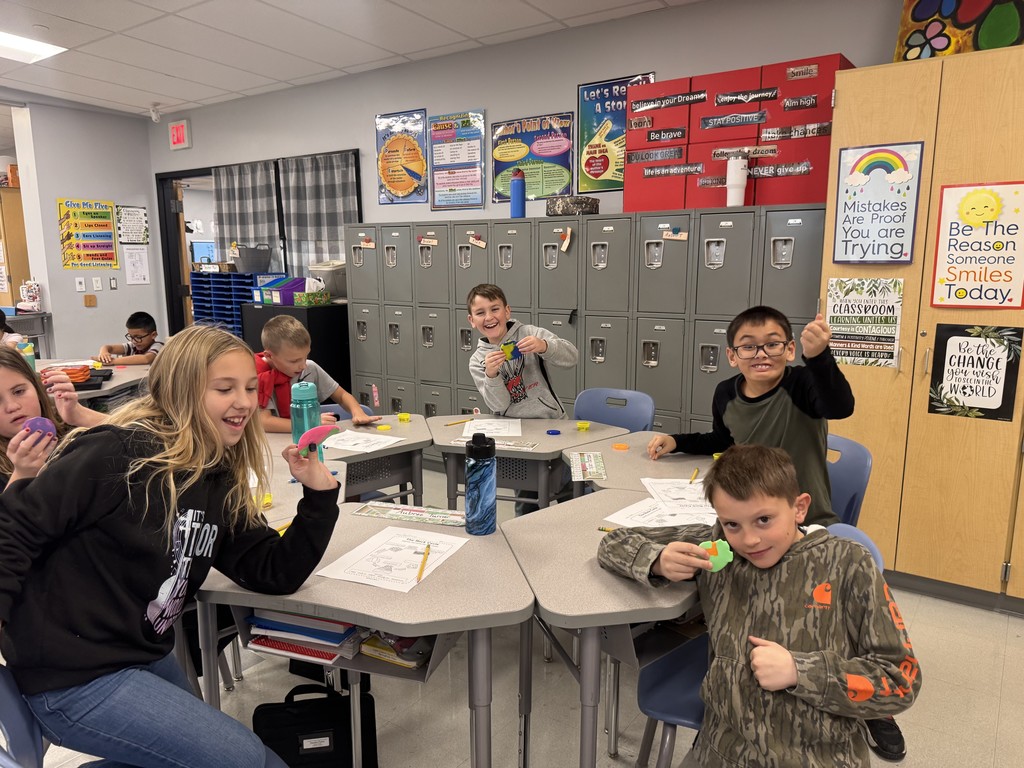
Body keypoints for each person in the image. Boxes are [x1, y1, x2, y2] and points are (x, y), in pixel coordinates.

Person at [0, 325, 340, 767]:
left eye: (250, 388)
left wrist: (318, 496)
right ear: (181, 391)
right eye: (224, 388)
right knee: (249, 761)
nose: (243, 401)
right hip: (73, 678)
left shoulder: (214, 473)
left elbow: (273, 571)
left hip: (137, 657)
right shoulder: (116, 452)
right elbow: (13, 528)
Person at [597, 444, 921, 768]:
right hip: (721, 750)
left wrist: (801, 672)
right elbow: (612, 542)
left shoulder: (848, 564)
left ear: (799, 508)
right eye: (732, 524)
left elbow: (900, 681)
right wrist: (656, 560)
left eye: (763, 519)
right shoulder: (718, 550)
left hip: (819, 756)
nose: (749, 540)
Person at [647, 305, 853, 527]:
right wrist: (677, 441)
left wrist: (818, 357)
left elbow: (840, 408)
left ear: (790, 349)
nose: (761, 354)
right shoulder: (726, 393)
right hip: (749, 517)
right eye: (748, 347)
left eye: (772, 344)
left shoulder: (802, 384)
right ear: (732, 355)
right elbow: (723, 441)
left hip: (803, 520)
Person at [466, 283, 578, 514]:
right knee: (528, 499)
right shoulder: (478, 360)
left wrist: (544, 346)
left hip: (553, 426)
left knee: (570, 491)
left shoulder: (530, 333)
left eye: (495, 309)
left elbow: (572, 357)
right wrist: (492, 375)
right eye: (480, 313)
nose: (489, 317)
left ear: (507, 311)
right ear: (472, 320)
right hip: (517, 436)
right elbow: (498, 405)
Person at [256, 314, 379, 432]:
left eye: (305, 357)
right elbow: (264, 422)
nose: (303, 365)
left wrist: (357, 411)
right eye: (294, 361)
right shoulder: (256, 377)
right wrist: (309, 424)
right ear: (269, 356)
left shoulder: (309, 368)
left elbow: (341, 396)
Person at [0, 347, 102, 487]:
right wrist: (22, 474)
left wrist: (79, 414)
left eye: (19, 391)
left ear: (37, 388)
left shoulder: (70, 432)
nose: (12, 406)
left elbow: (137, 434)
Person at [94, 310, 164, 365]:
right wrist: (104, 352)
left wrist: (112, 361)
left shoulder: (159, 346)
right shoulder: (132, 346)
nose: (134, 341)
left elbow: (146, 359)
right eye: (131, 337)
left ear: (153, 335)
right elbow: (109, 347)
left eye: (138, 337)